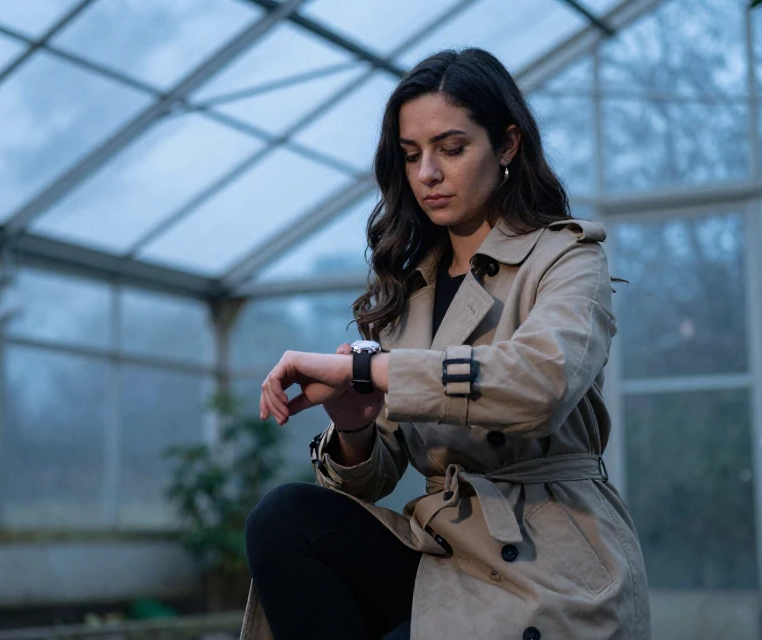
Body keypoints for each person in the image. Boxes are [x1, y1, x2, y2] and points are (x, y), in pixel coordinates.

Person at [241, 48, 650, 640]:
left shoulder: (566, 258)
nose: (427, 173)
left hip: (548, 558)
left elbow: (540, 384)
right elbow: (375, 477)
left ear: (507, 145)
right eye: (412, 155)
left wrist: (376, 371)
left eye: (451, 149)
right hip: (444, 552)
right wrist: (354, 427)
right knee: (283, 520)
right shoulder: (407, 290)